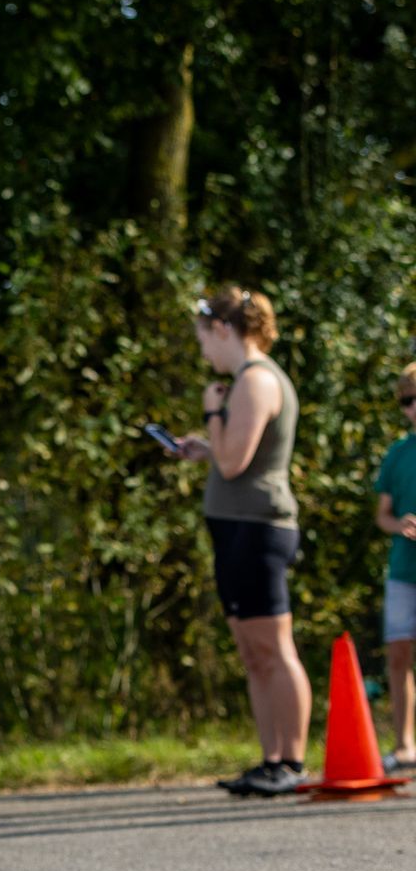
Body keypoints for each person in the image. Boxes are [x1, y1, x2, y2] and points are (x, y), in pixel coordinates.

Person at [168, 287, 311, 796]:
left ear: (223, 330)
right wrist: (206, 447)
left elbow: (235, 463)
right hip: (235, 528)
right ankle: (270, 759)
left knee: (274, 648)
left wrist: (212, 413)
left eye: (203, 338)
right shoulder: (248, 382)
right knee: (253, 654)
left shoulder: (254, 381)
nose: (203, 350)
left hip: (259, 529)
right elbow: (229, 456)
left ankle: (292, 762)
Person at [373, 363, 416, 770]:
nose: (414, 408)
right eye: (407, 401)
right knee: (398, 653)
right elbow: (382, 514)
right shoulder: (398, 454)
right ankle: (405, 744)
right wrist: (399, 524)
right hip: (404, 570)